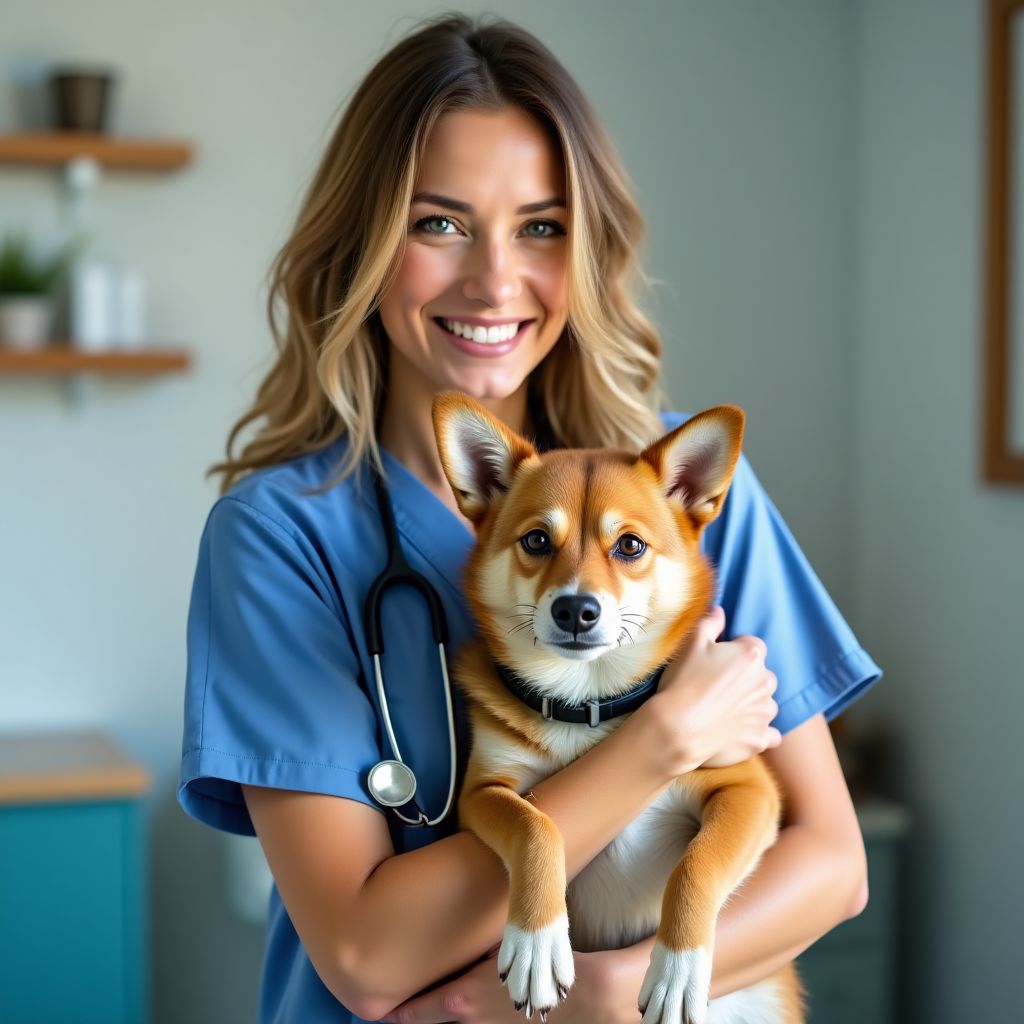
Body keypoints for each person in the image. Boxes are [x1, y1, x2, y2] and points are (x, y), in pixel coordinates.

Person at [178, 12, 881, 1024]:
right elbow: (367, 955)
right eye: (438, 222)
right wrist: (658, 741)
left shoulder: (680, 495)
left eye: (541, 226)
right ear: (365, 242)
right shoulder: (282, 537)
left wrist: (593, 995)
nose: (494, 281)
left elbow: (831, 863)